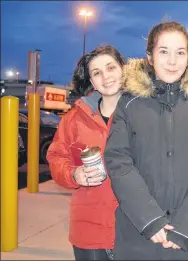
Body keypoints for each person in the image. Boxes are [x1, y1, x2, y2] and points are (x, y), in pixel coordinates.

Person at [103, 21, 188, 260]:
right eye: (164, 51)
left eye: (180, 52)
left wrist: (187, 226)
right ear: (150, 56)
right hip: (141, 235)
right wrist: (150, 219)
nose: (172, 61)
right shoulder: (129, 103)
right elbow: (119, 161)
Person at [47, 45, 125, 260]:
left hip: (135, 229)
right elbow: (56, 157)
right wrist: (74, 174)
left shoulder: (143, 113)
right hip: (90, 230)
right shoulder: (74, 118)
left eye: (111, 68)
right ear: (92, 82)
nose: (105, 77)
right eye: (96, 73)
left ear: (123, 70)